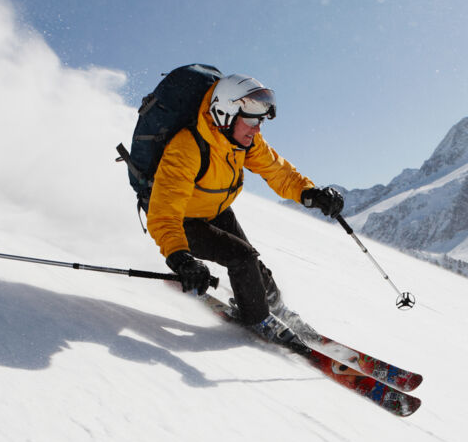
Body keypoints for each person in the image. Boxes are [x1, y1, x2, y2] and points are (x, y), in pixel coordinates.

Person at [147, 73, 344, 342]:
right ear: (225, 114)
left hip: (215, 210)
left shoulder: (241, 141)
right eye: (251, 120)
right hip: (182, 221)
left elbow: (277, 171)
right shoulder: (187, 147)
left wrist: (310, 193)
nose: (257, 129)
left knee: (253, 264)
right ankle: (259, 320)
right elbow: (164, 213)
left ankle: (277, 309)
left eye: (260, 121)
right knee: (242, 258)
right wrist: (181, 259)